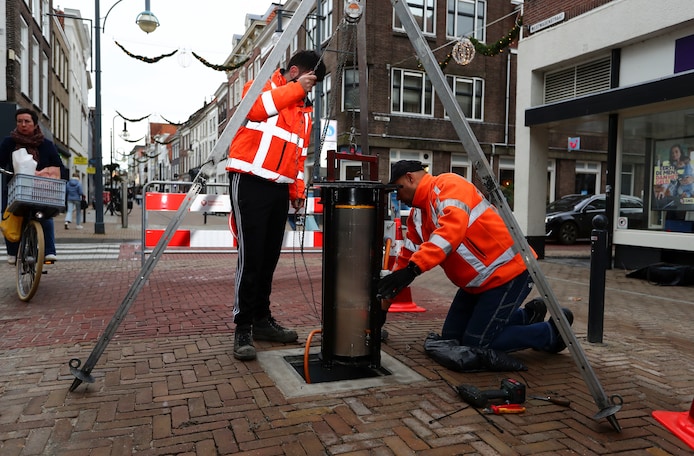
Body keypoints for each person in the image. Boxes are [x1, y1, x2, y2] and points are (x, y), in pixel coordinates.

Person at [377, 160, 574, 355]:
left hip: (508, 273)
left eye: (398, 189)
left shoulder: (448, 185)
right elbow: (405, 259)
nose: (397, 197)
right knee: (451, 338)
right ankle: (527, 317)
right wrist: (384, 306)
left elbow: (450, 232)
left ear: (410, 178)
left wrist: (413, 270)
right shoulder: (417, 216)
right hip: (477, 284)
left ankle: (550, 335)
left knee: (478, 344)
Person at [226, 50, 327, 361]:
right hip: (251, 180)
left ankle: (261, 320)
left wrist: (297, 190)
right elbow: (256, 109)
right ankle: (242, 327)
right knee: (252, 257)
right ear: (294, 71)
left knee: (268, 259)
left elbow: (298, 156)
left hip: (279, 189)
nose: (311, 88)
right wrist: (297, 88)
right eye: (309, 80)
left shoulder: (304, 112)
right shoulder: (262, 85)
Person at [0, 108, 63, 264]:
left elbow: (58, 165)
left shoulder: (46, 145)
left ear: (35, 124)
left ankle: (49, 251)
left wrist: (49, 173)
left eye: (27, 121)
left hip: (40, 188)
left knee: (46, 216)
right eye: (19, 121)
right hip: (16, 186)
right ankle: (13, 252)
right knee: (9, 215)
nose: (23, 124)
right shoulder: (9, 142)